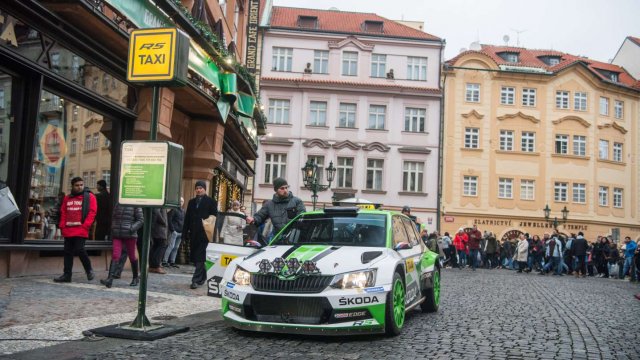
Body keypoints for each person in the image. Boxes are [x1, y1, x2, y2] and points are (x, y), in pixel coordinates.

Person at [53, 177, 97, 283]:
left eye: (81, 185)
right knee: (68, 253)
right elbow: (63, 212)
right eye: (77, 185)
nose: (79, 187)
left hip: (81, 229)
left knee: (79, 249)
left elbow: (92, 212)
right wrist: (62, 226)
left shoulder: (90, 197)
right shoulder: (67, 198)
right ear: (72, 186)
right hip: (68, 229)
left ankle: (89, 270)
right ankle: (67, 275)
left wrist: (86, 226)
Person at [183, 180, 218, 289]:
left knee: (199, 257)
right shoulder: (191, 202)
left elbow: (214, 218)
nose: (198, 190)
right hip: (193, 234)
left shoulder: (211, 201)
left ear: (204, 189)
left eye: (200, 188)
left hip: (204, 234)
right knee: (197, 258)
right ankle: (203, 277)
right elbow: (187, 218)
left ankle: (195, 280)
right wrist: (184, 233)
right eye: (197, 188)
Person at [100, 204, 144, 288]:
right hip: (117, 234)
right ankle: (109, 279)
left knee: (132, 256)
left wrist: (131, 229)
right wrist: (113, 227)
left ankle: (135, 278)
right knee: (115, 255)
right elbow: (114, 217)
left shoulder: (136, 205)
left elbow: (141, 220)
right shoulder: (118, 204)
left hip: (130, 235)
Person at [163, 197, 185, 268]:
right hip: (174, 231)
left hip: (180, 232)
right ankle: (165, 261)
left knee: (176, 247)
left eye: (182, 201)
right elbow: (169, 220)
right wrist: (173, 230)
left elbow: (184, 221)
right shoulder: (174, 210)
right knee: (171, 246)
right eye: (180, 201)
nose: (181, 203)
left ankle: (172, 261)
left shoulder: (183, 211)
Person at [148, 208, 168, 274]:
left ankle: (152, 266)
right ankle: (156, 266)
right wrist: (163, 221)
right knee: (162, 245)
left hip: (158, 228)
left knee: (155, 246)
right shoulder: (160, 201)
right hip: (159, 229)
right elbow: (156, 211)